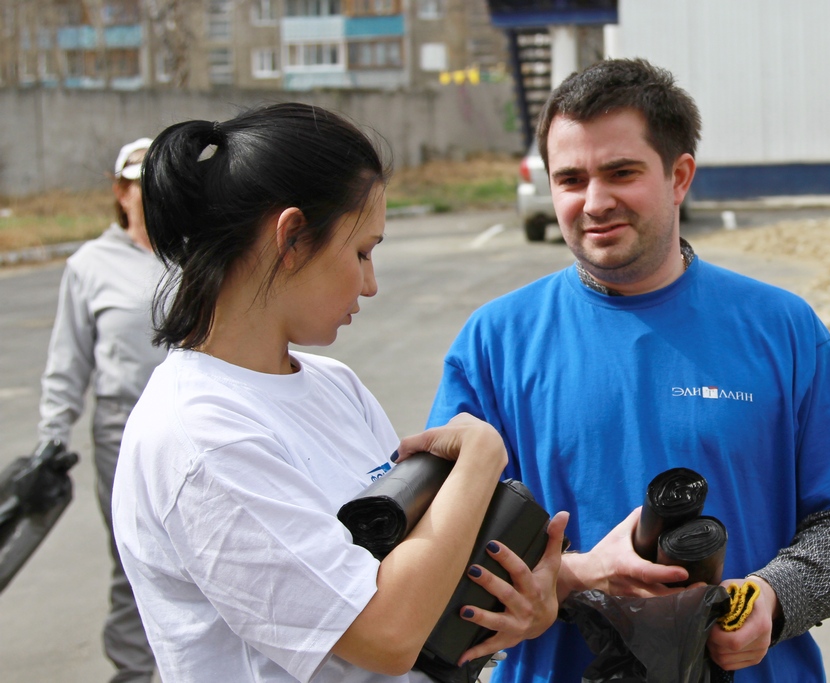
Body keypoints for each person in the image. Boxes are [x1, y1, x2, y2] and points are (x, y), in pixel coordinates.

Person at [426, 58, 830, 683]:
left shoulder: (782, 327)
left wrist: (773, 599)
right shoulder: (493, 342)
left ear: (679, 176)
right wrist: (576, 574)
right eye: (569, 179)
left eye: (621, 172)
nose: (594, 202)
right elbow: (435, 554)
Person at [110, 102, 569, 683]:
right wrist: (481, 458)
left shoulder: (332, 384)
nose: (371, 283)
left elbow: (414, 576)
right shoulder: (199, 437)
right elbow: (385, 635)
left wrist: (517, 608)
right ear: (293, 237)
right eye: (361, 252)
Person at [37, 136, 163, 682]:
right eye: (140, 186)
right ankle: (135, 674)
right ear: (120, 192)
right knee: (135, 560)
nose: (151, 196)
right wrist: (51, 436)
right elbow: (67, 361)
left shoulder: (198, 254)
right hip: (122, 424)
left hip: (200, 423)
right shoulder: (90, 264)